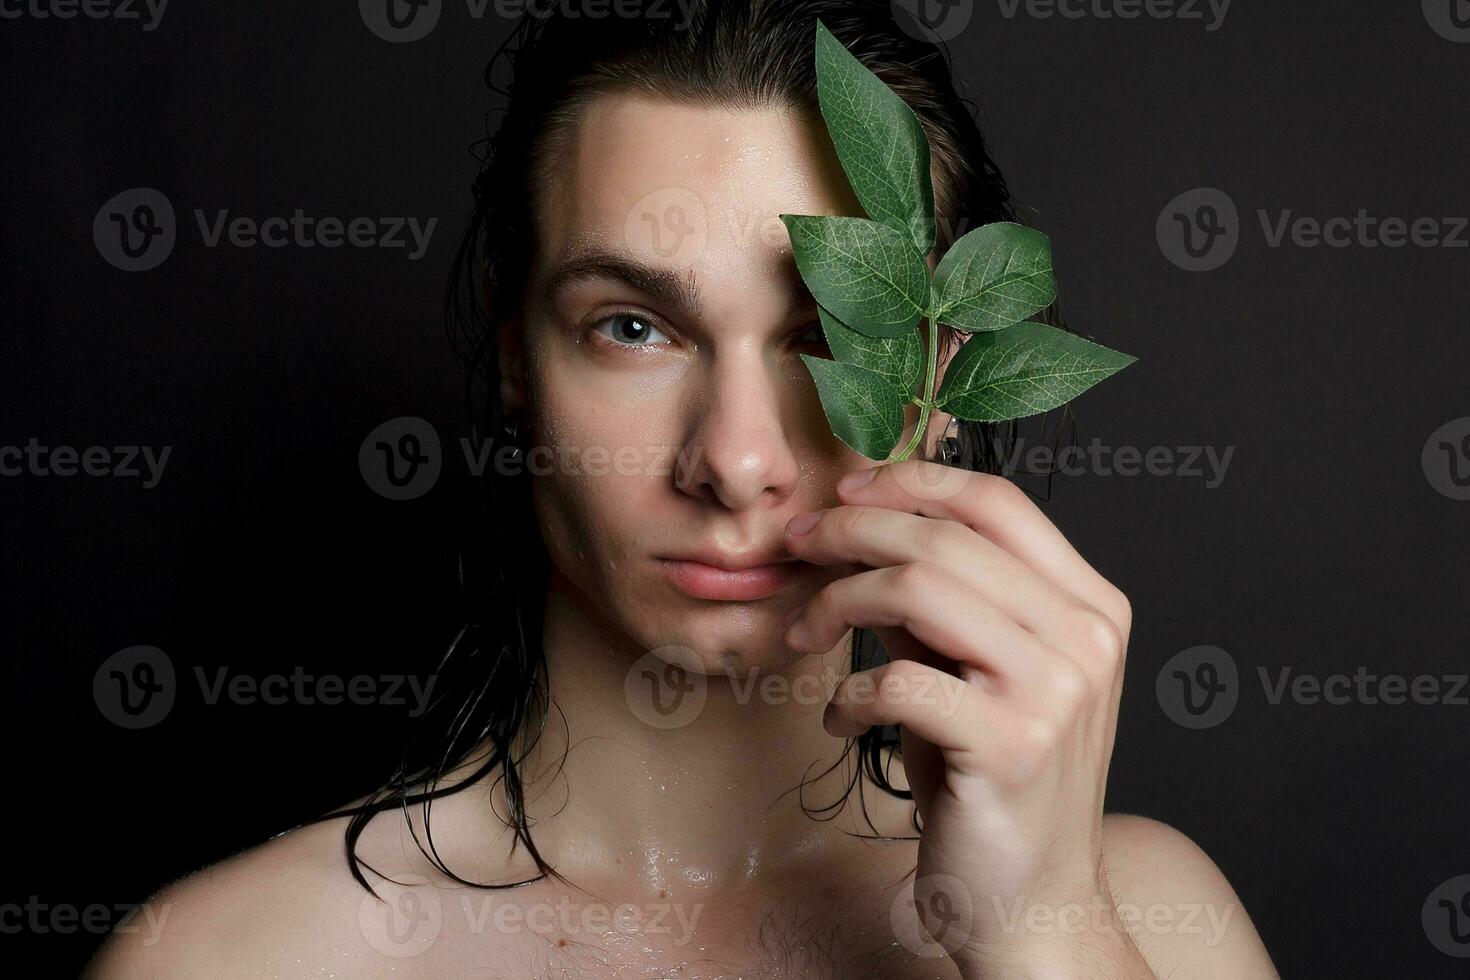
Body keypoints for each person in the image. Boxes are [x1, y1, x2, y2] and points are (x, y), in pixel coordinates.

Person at [86, 1, 1278, 976]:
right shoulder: (238, 958)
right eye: (634, 325)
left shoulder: (1154, 919)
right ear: (519, 360)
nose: (736, 458)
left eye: (831, 331)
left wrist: (1042, 933)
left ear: (947, 377)